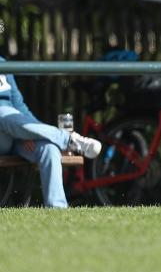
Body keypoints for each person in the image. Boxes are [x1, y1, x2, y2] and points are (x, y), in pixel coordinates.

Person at [0, 57, 102, 208]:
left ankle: (58, 209)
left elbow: (19, 105)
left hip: (15, 132)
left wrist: (30, 131)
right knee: (2, 112)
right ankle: (68, 139)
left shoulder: (2, 63)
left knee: (49, 148)